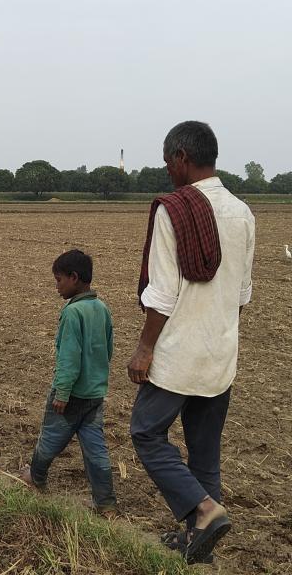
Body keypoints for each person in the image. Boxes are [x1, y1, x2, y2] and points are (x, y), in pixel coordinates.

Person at [128, 121, 255, 564]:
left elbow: (161, 294)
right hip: (221, 354)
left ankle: (204, 510)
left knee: (145, 431)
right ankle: (200, 550)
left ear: (181, 158)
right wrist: (215, 331)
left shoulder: (173, 209)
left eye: (167, 162)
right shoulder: (243, 212)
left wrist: (144, 348)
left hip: (178, 353)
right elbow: (241, 296)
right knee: (205, 454)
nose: (167, 170)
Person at [21, 250, 117, 516]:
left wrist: (62, 392)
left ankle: (35, 478)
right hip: (94, 394)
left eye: (59, 279)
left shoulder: (73, 313)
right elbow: (107, 351)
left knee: (50, 439)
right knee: (96, 450)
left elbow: (69, 358)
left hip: (70, 395)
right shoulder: (102, 308)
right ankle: (106, 504)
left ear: (74, 278)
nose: (57, 286)